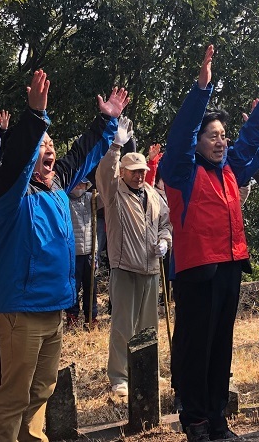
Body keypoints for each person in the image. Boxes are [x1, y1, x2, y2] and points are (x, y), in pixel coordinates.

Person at [0, 69, 128, 442]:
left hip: (53, 308)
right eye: (42, 145)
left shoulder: (57, 185)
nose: (50, 150)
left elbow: (84, 152)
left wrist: (107, 120)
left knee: (42, 391)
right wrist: (34, 119)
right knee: (13, 396)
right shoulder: (8, 196)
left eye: (51, 144)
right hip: (19, 309)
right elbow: (16, 161)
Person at [159, 45, 259, 442]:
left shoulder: (229, 169)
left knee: (220, 347)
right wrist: (202, 90)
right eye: (212, 136)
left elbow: (251, 140)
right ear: (198, 142)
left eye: (223, 136)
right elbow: (180, 134)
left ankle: (217, 418)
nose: (221, 141)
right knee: (195, 348)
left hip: (230, 265)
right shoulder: (181, 171)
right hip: (198, 270)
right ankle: (195, 420)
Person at [96, 120, 172, 397]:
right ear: (124, 172)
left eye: (142, 171)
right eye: (134, 172)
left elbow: (166, 222)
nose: (140, 176)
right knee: (123, 326)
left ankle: (147, 371)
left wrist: (165, 241)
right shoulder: (115, 193)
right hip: (124, 266)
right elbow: (104, 173)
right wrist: (116, 145)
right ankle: (119, 376)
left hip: (151, 267)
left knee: (148, 326)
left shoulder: (153, 194)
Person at [66, 177, 100, 327]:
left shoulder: (91, 198)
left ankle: (91, 316)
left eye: (82, 183)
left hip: (90, 251)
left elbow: (106, 197)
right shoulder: (65, 200)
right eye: (77, 183)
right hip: (73, 253)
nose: (79, 186)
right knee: (74, 286)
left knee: (91, 285)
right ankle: (72, 315)